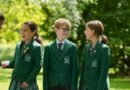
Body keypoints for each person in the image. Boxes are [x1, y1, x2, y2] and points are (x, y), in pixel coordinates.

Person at [1, 21, 43, 90]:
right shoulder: (18, 45)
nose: (22, 32)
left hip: (27, 83)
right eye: (21, 30)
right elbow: (14, 63)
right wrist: (7, 64)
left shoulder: (37, 47)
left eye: (25, 30)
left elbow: (37, 66)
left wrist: (27, 81)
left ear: (33, 32)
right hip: (15, 81)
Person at [43, 18, 78, 90]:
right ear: (56, 29)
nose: (66, 32)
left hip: (67, 85)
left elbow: (75, 70)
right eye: (64, 29)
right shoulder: (48, 48)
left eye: (68, 30)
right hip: (52, 85)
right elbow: (45, 70)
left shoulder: (72, 47)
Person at [79, 20, 110, 90]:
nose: (84, 32)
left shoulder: (104, 49)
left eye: (86, 30)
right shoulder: (87, 47)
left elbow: (103, 74)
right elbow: (83, 71)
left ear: (93, 32)